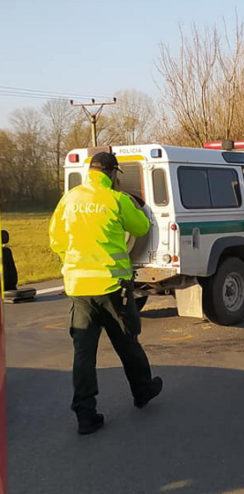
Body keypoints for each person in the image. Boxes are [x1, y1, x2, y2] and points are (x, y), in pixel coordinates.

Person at [49, 151, 163, 435]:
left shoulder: (69, 199)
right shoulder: (116, 199)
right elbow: (142, 226)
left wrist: (76, 260)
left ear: (90, 171)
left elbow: (56, 240)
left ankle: (85, 414)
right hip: (112, 286)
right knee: (127, 341)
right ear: (112, 174)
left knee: (83, 353)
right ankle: (143, 390)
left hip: (78, 287)